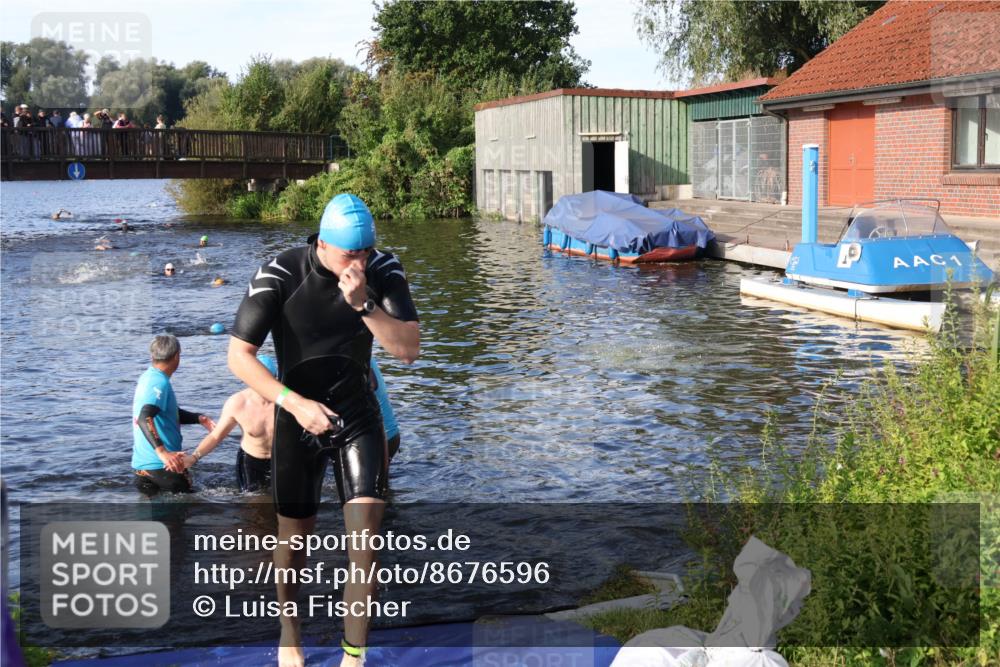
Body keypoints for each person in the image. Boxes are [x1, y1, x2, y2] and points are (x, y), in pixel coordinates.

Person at [228, 193, 419, 667]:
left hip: (357, 413)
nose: (359, 263)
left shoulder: (383, 270)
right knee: (293, 544)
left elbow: (409, 350)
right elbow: (238, 356)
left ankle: (352, 656)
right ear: (322, 245)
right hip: (297, 417)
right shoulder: (280, 272)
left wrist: (364, 306)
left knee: (366, 543)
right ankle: (290, 633)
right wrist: (293, 403)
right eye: (349, 255)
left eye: (365, 253)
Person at [181, 354, 279, 492]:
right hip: (251, 461)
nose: (263, 386)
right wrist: (194, 457)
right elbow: (216, 436)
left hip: (281, 460)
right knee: (253, 504)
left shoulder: (287, 403)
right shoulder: (238, 403)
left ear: (275, 379)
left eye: (268, 380)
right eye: (258, 380)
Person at [131, 335, 215, 495]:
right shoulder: (159, 383)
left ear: (152, 356)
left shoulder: (148, 377)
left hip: (142, 468)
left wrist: (199, 418)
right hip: (164, 467)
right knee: (187, 514)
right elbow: (144, 417)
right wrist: (163, 453)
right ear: (177, 356)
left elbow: (168, 413)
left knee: (157, 517)